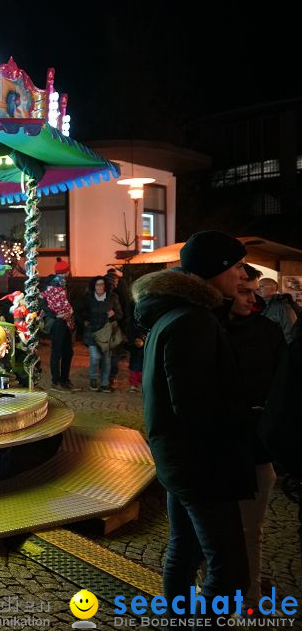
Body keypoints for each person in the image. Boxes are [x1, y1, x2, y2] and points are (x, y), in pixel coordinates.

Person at [132, 230, 253, 614]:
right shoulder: (193, 321)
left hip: (180, 459)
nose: (241, 275)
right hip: (203, 464)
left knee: (184, 553)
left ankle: (178, 622)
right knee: (230, 572)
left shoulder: (172, 315)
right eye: (235, 267)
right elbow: (194, 404)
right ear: (214, 270)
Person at [225, 264, 287, 607]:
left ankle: (250, 595)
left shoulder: (267, 330)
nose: (253, 298)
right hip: (222, 447)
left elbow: (281, 389)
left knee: (252, 528)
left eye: (253, 291)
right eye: (244, 291)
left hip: (256, 448)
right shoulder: (208, 330)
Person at [76, 276, 124, 392]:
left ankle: (105, 383)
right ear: (94, 286)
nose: (99, 287)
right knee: (95, 357)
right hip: (92, 332)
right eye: (97, 284)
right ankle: (93, 379)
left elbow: (120, 314)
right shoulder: (88, 298)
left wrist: (114, 315)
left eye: (102, 284)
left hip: (106, 333)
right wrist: (85, 322)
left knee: (107, 359)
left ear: (105, 286)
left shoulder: (112, 297)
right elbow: (79, 311)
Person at [43, 273, 79, 391]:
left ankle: (65, 380)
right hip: (57, 324)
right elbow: (45, 308)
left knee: (68, 352)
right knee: (57, 352)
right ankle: (56, 381)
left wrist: (69, 312)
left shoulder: (62, 292)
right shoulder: (48, 293)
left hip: (66, 323)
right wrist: (57, 314)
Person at [255, 278, 299, 344]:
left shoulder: (283, 308)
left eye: (261, 286)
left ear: (273, 288)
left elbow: (291, 334)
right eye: (257, 286)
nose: (257, 289)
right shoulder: (257, 305)